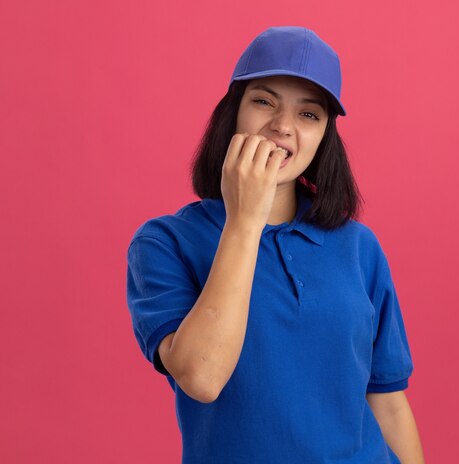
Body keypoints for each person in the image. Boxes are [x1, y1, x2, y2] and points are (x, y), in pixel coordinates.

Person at [126, 26, 425, 463]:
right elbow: (202, 377)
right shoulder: (165, 242)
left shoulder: (359, 247)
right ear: (232, 113)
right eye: (263, 101)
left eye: (309, 115)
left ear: (325, 137)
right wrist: (246, 220)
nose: (283, 127)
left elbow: (389, 403)